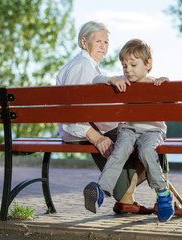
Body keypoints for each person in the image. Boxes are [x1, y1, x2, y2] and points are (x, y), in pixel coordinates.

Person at [56, 21, 170, 214]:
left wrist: (145, 80)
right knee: (151, 144)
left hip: (96, 128)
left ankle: (122, 196)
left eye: (106, 42)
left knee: (135, 137)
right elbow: (71, 115)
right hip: (90, 132)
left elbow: (108, 81)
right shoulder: (83, 66)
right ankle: (156, 198)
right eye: (98, 41)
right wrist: (97, 137)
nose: (103, 46)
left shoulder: (90, 67)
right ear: (84, 42)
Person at [83, 39, 174, 221]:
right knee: (120, 150)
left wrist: (165, 84)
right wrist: (112, 79)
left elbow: (173, 103)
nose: (128, 70)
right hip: (130, 129)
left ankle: (163, 193)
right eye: (124, 66)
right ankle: (101, 191)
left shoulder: (156, 85)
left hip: (152, 132)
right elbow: (95, 80)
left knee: (148, 151)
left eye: (133, 65)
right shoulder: (124, 82)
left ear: (148, 64)